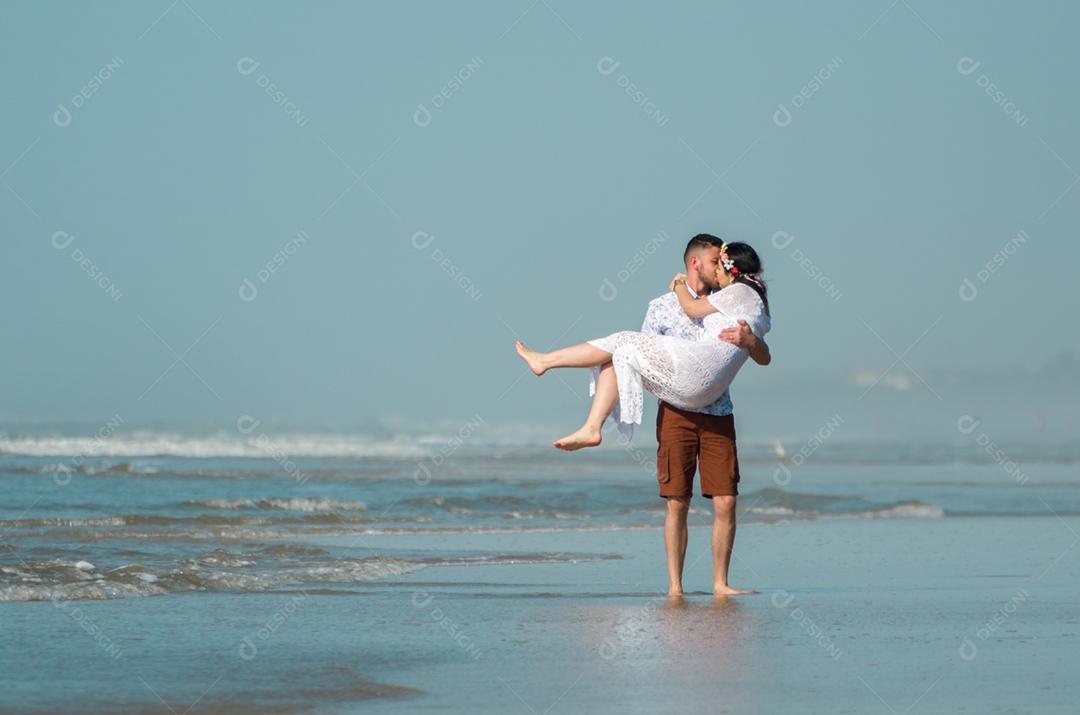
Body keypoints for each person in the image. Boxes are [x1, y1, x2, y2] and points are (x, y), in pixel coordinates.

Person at [515, 234, 771, 596]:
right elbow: (642, 358)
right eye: (716, 261)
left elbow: (763, 355)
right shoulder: (663, 306)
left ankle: (720, 583)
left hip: (717, 409)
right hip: (676, 411)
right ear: (696, 262)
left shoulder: (728, 299)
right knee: (677, 502)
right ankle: (675, 587)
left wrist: (749, 342)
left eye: (723, 262)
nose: (721, 267)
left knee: (726, 500)